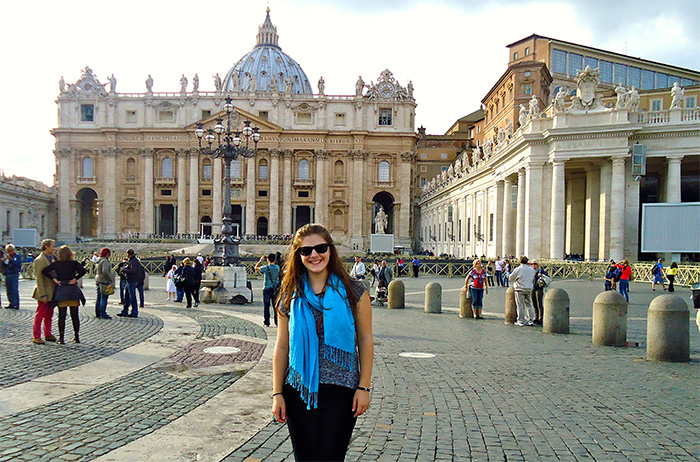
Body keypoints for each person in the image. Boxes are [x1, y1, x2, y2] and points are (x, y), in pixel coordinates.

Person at [271, 224, 373, 461]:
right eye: (306, 251)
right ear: (298, 256)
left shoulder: (355, 291)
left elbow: (365, 340)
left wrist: (364, 387)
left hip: (343, 390)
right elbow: (282, 346)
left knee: (332, 457)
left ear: (330, 250)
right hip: (299, 391)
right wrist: (277, 393)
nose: (314, 255)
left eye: (320, 248)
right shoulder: (289, 295)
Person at [43, 245, 87, 344]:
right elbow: (83, 271)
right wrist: (76, 278)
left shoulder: (56, 264)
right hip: (72, 290)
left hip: (62, 289)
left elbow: (45, 271)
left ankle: (61, 338)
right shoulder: (74, 263)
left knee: (62, 316)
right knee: (74, 315)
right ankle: (77, 336)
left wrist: (54, 279)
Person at [31, 239, 57, 344]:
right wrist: (43, 294)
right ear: (46, 247)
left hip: (52, 290)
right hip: (45, 291)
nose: (54, 248)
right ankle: (36, 336)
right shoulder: (39, 260)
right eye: (52, 246)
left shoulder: (53, 258)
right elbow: (39, 279)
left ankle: (48, 333)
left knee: (49, 314)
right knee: (40, 315)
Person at [509, 256, 536, 326]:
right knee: (529, 305)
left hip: (520, 288)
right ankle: (531, 320)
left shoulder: (518, 269)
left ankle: (521, 321)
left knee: (520, 305)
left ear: (520, 261)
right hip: (529, 288)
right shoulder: (532, 269)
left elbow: (511, 278)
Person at [255, 253, 280, 327]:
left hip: (267, 289)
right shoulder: (277, 267)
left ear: (268, 259)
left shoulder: (265, 268)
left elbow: (256, 267)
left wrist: (261, 260)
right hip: (275, 289)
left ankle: (267, 322)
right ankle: (277, 322)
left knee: (266, 306)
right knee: (275, 306)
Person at [118, 249, 142, 318]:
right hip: (129, 280)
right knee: (127, 297)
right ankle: (125, 311)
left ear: (129, 254)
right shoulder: (132, 260)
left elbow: (133, 271)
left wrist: (124, 270)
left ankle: (134, 312)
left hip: (132, 280)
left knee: (132, 297)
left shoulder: (134, 261)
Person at [94, 248, 115, 319]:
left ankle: (98, 313)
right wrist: (110, 278)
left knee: (99, 297)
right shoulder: (105, 261)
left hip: (98, 280)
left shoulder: (98, 260)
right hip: (104, 281)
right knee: (104, 297)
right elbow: (105, 271)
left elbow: (95, 270)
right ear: (107, 254)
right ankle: (103, 313)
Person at [3, 244, 22, 309]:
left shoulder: (17, 256)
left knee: (14, 289)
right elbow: (5, 265)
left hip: (14, 274)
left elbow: (17, 264)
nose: (10, 252)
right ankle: (11, 303)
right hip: (8, 274)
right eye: (8, 251)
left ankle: (16, 304)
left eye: (11, 250)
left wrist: (11, 259)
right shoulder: (6, 257)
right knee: (9, 289)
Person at [531, 260, 549, 325]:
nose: (533, 265)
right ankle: (536, 317)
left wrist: (542, 275)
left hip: (539, 288)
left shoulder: (541, 271)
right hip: (532, 288)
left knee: (539, 304)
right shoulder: (530, 271)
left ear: (537, 265)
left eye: (534, 264)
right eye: (531, 264)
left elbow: (547, 277)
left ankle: (541, 318)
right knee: (534, 304)